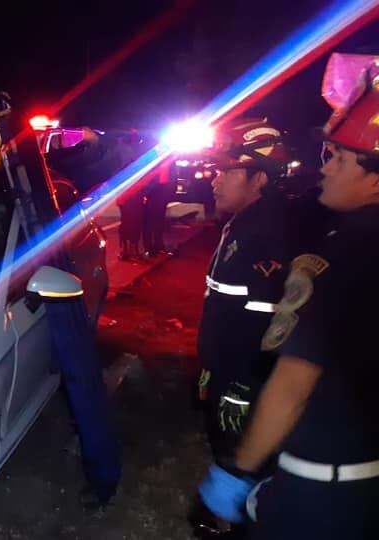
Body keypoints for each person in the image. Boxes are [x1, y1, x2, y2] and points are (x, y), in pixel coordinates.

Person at [198, 52, 379, 539]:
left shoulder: (343, 249)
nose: (326, 168)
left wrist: (238, 470)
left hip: (322, 478)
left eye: (339, 158)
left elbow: (295, 376)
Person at [190, 118, 324, 537]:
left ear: (260, 178)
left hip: (244, 378)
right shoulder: (245, 221)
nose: (214, 180)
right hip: (227, 367)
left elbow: (275, 325)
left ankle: (239, 523)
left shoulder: (272, 231)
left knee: (246, 457)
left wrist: (242, 386)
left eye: (226, 171)